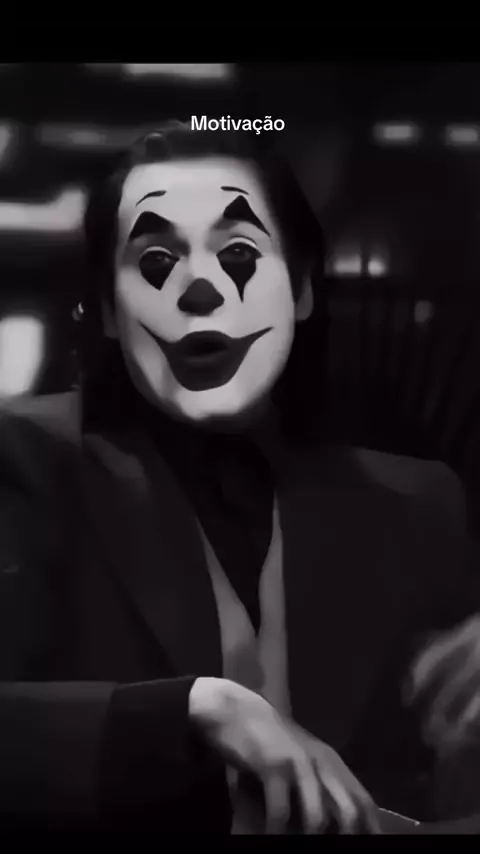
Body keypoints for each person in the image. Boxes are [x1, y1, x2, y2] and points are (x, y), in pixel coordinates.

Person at [0, 120, 479, 833]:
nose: (200, 288)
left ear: (303, 289)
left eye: (240, 253)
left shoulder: (417, 505)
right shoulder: (28, 460)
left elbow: (448, 782)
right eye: (156, 260)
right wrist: (194, 709)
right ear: (106, 310)